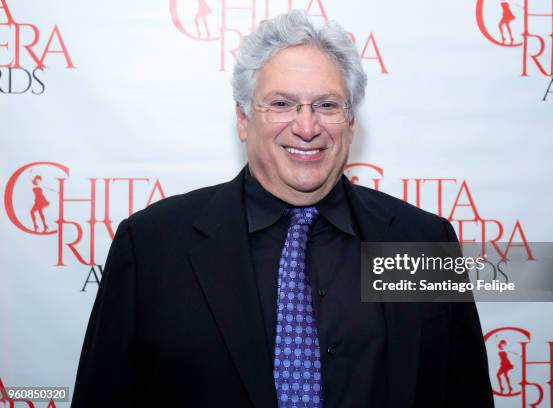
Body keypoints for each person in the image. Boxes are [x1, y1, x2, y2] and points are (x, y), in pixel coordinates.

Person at [72, 10, 493, 407]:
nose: (306, 127)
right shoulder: (152, 246)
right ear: (242, 119)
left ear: (350, 121)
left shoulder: (418, 241)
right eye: (280, 104)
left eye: (327, 105)